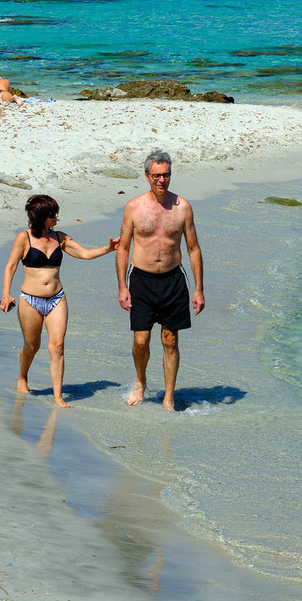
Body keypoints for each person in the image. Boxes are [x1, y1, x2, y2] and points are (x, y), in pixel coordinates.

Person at [0, 193, 116, 406]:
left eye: (56, 212)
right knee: (32, 346)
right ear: (40, 216)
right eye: (52, 213)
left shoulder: (60, 237)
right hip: (30, 300)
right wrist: (6, 293)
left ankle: (58, 396)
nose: (56, 216)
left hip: (56, 299)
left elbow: (85, 254)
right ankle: (22, 376)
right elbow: (11, 266)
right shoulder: (23, 238)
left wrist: (108, 249)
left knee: (58, 346)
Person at [116, 150, 204, 410]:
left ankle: (168, 397)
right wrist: (122, 286)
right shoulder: (133, 207)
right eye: (156, 176)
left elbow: (194, 249)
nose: (162, 180)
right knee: (141, 340)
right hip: (141, 280)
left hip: (173, 280)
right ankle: (140, 380)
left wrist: (199, 289)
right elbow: (123, 248)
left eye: (166, 175)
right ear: (147, 176)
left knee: (170, 340)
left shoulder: (183, 207)